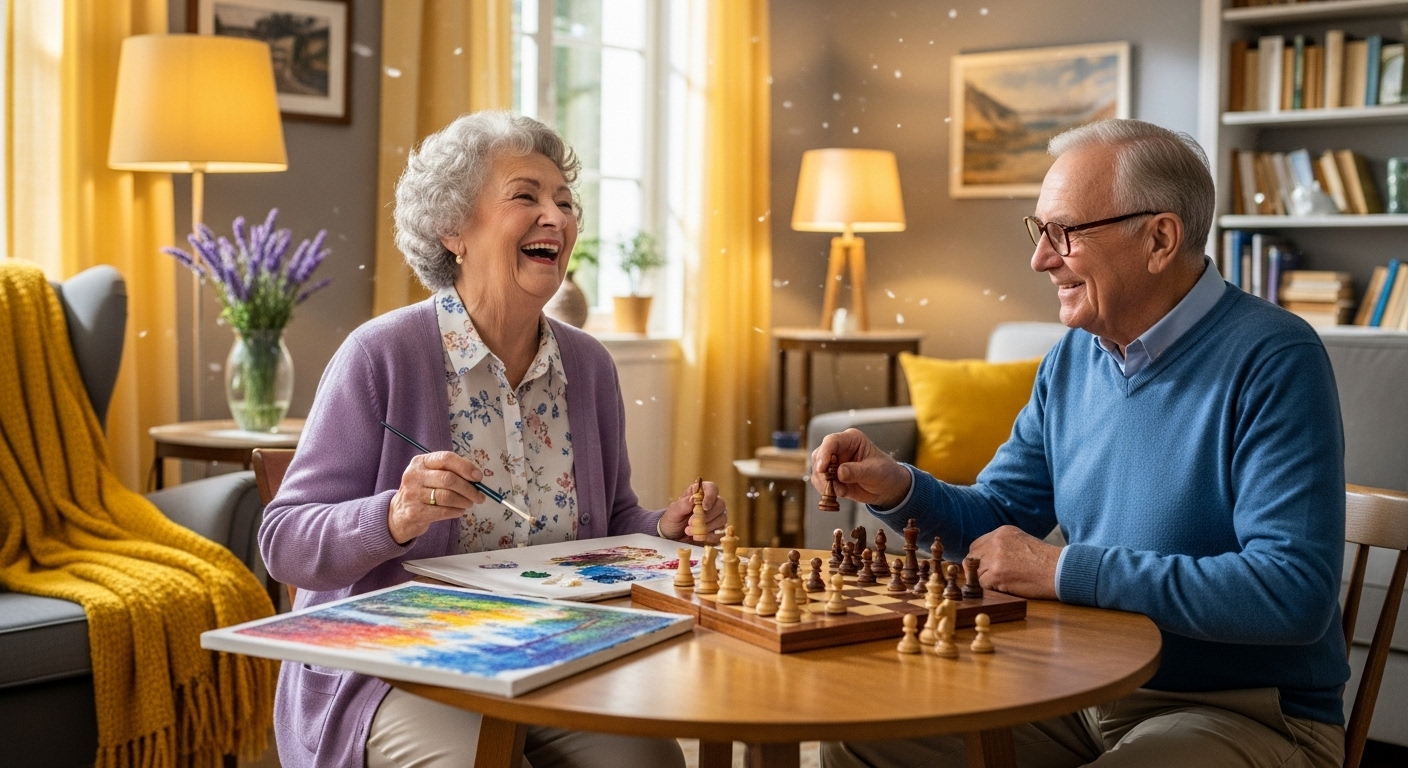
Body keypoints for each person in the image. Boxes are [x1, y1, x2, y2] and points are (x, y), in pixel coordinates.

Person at [813, 119, 1348, 768]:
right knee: (857, 740)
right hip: (1086, 687)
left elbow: (1292, 593)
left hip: (1246, 711)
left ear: (1159, 238)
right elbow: (1000, 518)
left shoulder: (1275, 357)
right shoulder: (1072, 359)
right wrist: (897, 485)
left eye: (1063, 233)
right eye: (1040, 232)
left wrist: (1065, 570)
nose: (1041, 259)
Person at [259, 111, 724, 768]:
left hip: (556, 655)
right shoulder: (381, 355)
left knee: (649, 762)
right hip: (400, 669)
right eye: (525, 196)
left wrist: (665, 528)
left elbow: (613, 521)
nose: (555, 218)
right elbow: (284, 543)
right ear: (455, 229)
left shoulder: (589, 367)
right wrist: (394, 516)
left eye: (564, 202)